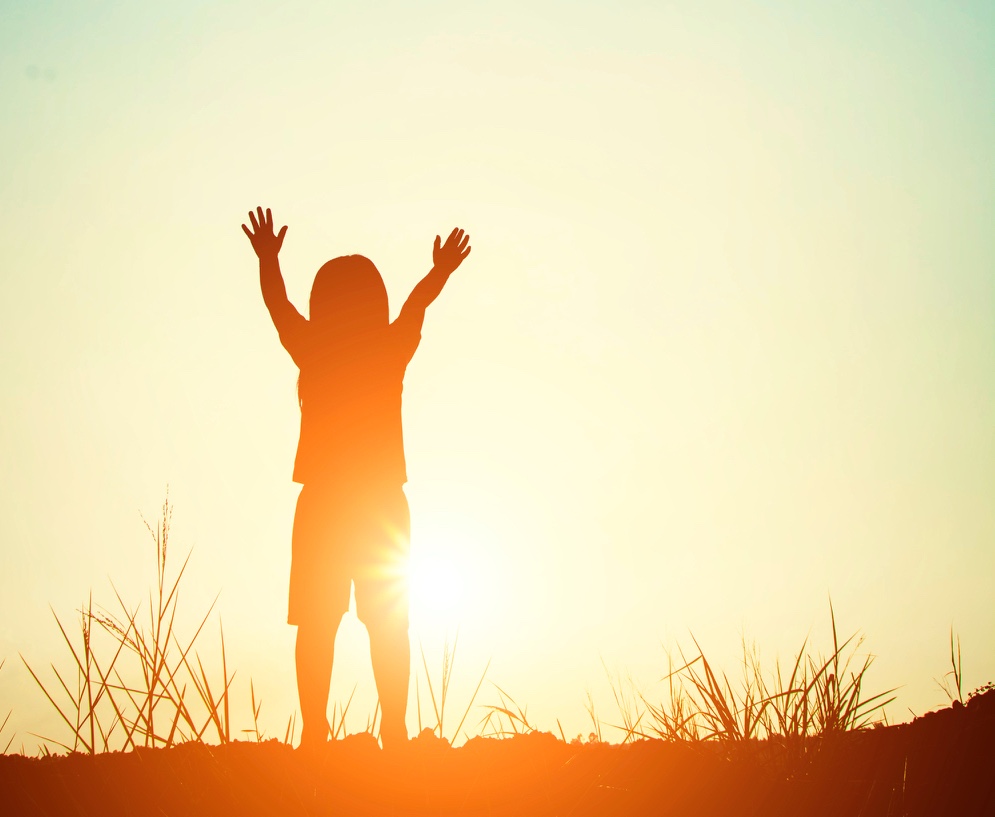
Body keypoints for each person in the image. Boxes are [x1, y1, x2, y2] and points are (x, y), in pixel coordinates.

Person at [241, 207, 471, 751]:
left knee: (318, 625)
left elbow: (278, 307)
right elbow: (416, 306)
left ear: (323, 306)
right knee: (386, 624)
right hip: (378, 506)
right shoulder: (388, 350)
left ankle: (316, 736)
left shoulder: (314, 349)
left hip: (325, 503)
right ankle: (392, 731)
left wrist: (269, 261)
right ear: (376, 302)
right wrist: (439, 271)